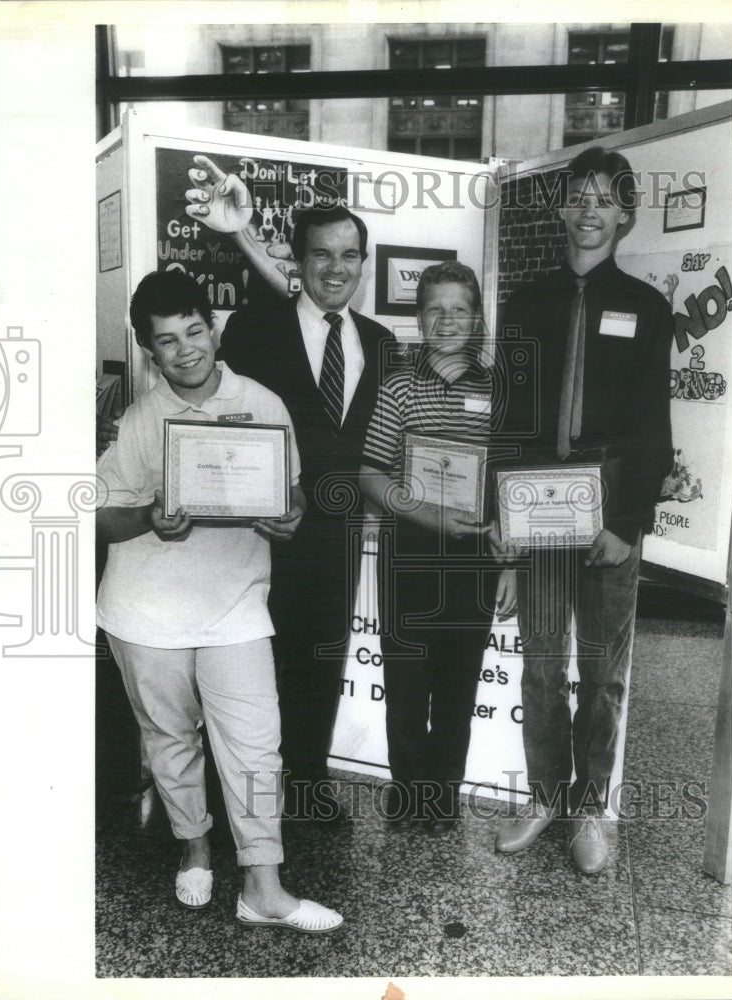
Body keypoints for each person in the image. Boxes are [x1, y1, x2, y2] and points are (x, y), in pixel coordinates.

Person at [96, 269, 343, 932]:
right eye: (167, 342)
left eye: (194, 331)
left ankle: (263, 884)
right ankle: (195, 848)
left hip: (235, 604)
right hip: (146, 612)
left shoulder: (262, 403)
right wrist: (150, 514)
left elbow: (288, 495)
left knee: (258, 745)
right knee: (171, 740)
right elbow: (102, 517)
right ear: (150, 351)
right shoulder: (139, 420)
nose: (185, 350)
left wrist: (289, 516)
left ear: (213, 327)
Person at [185, 165, 393, 824]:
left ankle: (305, 782)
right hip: (257, 535)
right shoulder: (254, 330)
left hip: (334, 537)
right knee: (246, 670)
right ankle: (238, 797)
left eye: (349, 255)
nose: (337, 267)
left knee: (321, 662)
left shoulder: (383, 345)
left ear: (363, 263)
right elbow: (222, 426)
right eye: (322, 254)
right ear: (300, 261)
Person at [492, 147, 673, 873]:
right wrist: (502, 526)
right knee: (539, 666)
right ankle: (542, 795)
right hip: (535, 513)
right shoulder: (527, 302)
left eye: (605, 199)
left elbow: (652, 430)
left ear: (624, 214)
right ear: (562, 209)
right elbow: (505, 419)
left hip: (606, 516)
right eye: (579, 197)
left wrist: (626, 525)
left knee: (601, 673)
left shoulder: (647, 307)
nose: (590, 211)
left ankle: (593, 808)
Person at [358, 261, 518, 836]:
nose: (447, 320)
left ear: (477, 319)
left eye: (459, 309)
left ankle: (442, 797)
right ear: (418, 318)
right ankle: (407, 795)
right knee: (405, 684)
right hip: (411, 553)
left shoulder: (499, 390)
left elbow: (510, 487)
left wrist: (513, 566)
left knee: (457, 686)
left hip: (476, 560)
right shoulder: (399, 384)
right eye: (434, 309)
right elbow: (372, 475)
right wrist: (429, 513)